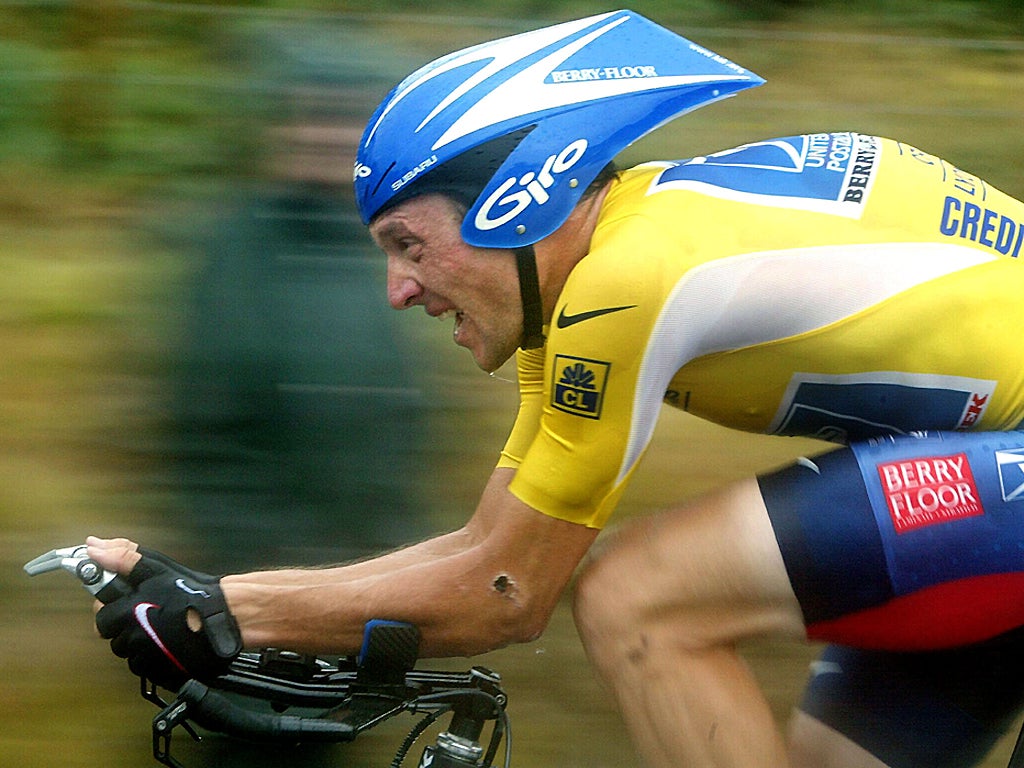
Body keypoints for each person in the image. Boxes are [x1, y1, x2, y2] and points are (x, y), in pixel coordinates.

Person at [87, 10, 1024, 768]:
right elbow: (485, 547)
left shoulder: (629, 282)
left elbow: (506, 595)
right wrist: (224, 595)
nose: (396, 290)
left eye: (409, 245)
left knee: (636, 598)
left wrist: (232, 615)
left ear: (514, 201)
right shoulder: (589, 282)